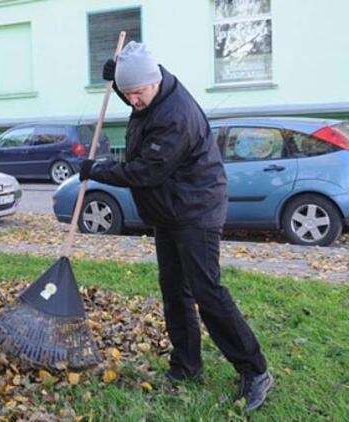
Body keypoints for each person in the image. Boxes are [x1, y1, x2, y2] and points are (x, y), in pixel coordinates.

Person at [79, 42, 273, 411]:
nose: (132, 100)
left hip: (196, 209)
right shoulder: (152, 91)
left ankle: (255, 370)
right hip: (169, 210)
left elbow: (146, 171)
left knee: (207, 292)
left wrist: (98, 169)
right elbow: (140, 97)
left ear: (153, 82)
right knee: (174, 289)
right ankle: (187, 365)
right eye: (126, 93)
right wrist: (121, 80)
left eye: (136, 92)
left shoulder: (176, 117)